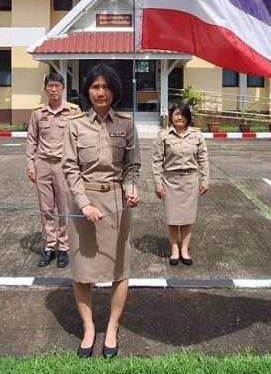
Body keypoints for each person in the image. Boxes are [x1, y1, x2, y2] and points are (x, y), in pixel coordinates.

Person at [63, 64, 140, 359]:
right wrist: (84, 203)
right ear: (87, 91)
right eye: (95, 87)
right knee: (83, 271)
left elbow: (132, 166)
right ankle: (88, 328)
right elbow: (70, 168)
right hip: (83, 203)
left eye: (106, 87)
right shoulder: (75, 125)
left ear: (115, 92)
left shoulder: (126, 125)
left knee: (119, 269)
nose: (101, 92)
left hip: (117, 204)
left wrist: (131, 189)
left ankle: (111, 327)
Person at [25, 71, 78, 268]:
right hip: (43, 164)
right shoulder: (38, 113)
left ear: (63, 88)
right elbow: (32, 140)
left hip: (64, 166)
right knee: (46, 208)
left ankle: (63, 247)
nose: (54, 89)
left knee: (64, 207)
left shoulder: (73, 111)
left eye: (57, 86)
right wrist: (30, 164)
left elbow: (78, 139)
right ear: (45, 88)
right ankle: (50, 246)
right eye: (50, 86)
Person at [152, 103, 209, 266]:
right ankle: (174, 249)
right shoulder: (163, 136)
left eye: (183, 114)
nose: (179, 117)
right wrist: (158, 183)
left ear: (188, 117)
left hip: (190, 182)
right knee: (172, 219)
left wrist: (205, 180)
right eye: (176, 114)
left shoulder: (197, 135)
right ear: (171, 116)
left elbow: (203, 158)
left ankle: (184, 249)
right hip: (170, 182)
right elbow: (157, 161)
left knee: (187, 219)